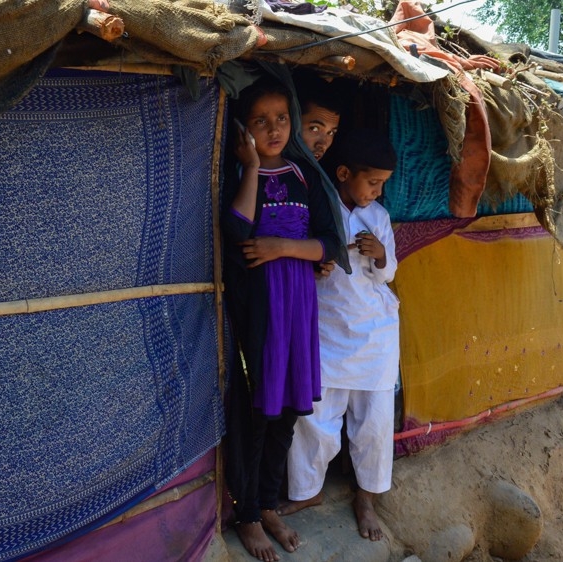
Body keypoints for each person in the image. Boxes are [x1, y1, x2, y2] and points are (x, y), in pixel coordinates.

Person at [222, 76, 342, 562]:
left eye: (281, 119)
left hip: (299, 306)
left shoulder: (304, 175)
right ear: (243, 130)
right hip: (261, 307)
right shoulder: (237, 174)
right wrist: (251, 166)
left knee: (289, 410)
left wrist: (284, 248)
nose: (274, 129)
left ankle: (268, 503)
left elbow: (330, 243)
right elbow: (236, 229)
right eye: (260, 121)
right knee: (259, 412)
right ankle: (247, 513)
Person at [279, 129, 400, 542]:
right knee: (314, 417)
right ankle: (306, 490)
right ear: (345, 173)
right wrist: (318, 266)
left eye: (382, 184)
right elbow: (304, 262)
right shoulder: (320, 208)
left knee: (375, 423)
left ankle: (366, 498)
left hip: (375, 335)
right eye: (372, 182)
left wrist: (381, 254)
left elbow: (389, 275)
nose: (376, 191)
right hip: (326, 328)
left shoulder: (378, 218)